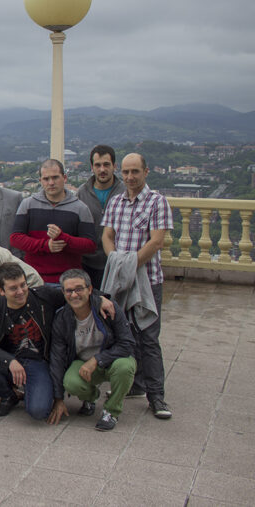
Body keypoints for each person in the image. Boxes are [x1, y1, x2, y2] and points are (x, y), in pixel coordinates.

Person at [0, 263, 113, 421]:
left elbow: (73, 292)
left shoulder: (43, 296)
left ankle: (32, 389)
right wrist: (10, 361)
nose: (20, 291)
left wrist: (99, 298)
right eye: (13, 288)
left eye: (23, 285)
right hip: (10, 358)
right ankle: (9, 396)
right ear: (1, 291)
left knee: (39, 412)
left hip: (38, 360)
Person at [101, 152, 174, 420]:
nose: (130, 177)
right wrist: (116, 262)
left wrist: (129, 266)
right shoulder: (116, 202)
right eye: (126, 172)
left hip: (147, 281)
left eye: (135, 171)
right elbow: (107, 236)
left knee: (148, 337)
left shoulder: (157, 202)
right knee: (124, 334)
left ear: (146, 172)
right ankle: (135, 385)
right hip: (120, 280)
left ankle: (157, 396)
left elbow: (156, 242)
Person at [47, 270, 136, 431]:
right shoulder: (62, 319)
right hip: (82, 361)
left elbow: (127, 343)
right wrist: (58, 398)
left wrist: (97, 360)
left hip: (112, 359)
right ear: (63, 293)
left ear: (89, 289)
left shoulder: (108, 308)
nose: (74, 295)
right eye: (69, 291)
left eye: (79, 289)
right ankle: (91, 397)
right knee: (71, 382)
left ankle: (111, 411)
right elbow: (57, 359)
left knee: (125, 367)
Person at [10, 159, 97, 284]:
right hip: (35, 278)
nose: (51, 183)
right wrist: (45, 246)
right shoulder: (27, 205)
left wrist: (64, 239)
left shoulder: (80, 208)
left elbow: (90, 245)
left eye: (55, 177)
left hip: (69, 281)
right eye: (46, 179)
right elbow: (15, 238)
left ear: (64, 178)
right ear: (40, 181)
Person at [77, 146, 126, 287]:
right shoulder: (81, 193)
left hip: (116, 261)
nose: (102, 169)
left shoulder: (125, 193)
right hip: (87, 263)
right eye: (98, 165)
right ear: (92, 167)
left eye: (106, 165)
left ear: (114, 166)